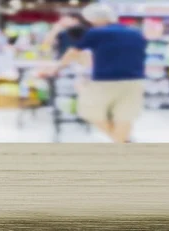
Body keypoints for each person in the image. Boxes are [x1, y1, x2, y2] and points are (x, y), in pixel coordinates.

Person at [42, 3, 147, 143]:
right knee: (125, 116)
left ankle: (121, 142)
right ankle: (124, 145)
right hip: (135, 80)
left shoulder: (96, 33)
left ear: (94, 19)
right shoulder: (136, 33)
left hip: (106, 80)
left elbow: (73, 52)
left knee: (89, 110)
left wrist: (57, 68)